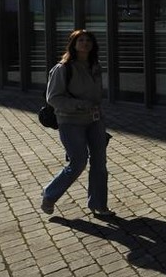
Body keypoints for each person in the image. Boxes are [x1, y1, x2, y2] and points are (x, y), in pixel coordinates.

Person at [40, 29, 114, 217]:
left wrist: (97, 111)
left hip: (95, 121)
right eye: (80, 40)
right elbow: (53, 98)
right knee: (78, 162)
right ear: (73, 44)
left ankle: (98, 204)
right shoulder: (63, 68)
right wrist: (81, 106)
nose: (85, 43)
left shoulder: (95, 66)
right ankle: (49, 194)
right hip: (71, 121)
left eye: (88, 40)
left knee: (100, 163)